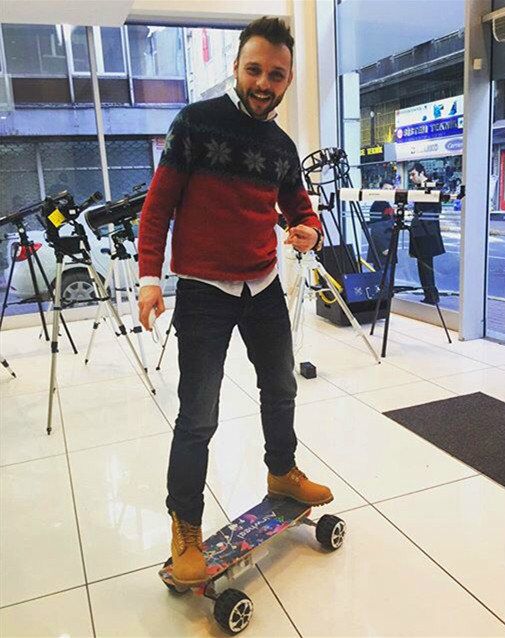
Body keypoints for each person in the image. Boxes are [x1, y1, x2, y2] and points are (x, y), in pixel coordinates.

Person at [137, 17, 333, 587]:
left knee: (281, 386)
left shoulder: (281, 146)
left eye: (276, 74)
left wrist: (309, 230)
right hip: (204, 290)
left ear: (289, 78)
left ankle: (282, 473)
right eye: (255, 70)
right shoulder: (195, 123)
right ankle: (186, 526)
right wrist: (149, 278)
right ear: (236, 68)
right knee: (199, 414)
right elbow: (158, 207)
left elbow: (300, 208)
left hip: (262, 282)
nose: (264, 83)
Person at [408, 162, 445, 304]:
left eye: (413, 174)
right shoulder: (420, 187)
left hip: (426, 232)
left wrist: (419, 216)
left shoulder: (431, 187)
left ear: (421, 172)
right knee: (422, 265)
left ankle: (431, 295)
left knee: (426, 266)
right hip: (421, 231)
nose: (411, 177)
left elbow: (436, 209)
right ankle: (429, 295)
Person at [367, 179, 394, 268]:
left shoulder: (386, 203)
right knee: (382, 272)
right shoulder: (377, 205)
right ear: (380, 189)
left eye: (390, 189)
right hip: (382, 248)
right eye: (386, 189)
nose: (388, 191)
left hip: (388, 244)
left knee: (387, 272)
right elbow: (376, 227)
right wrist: (384, 247)